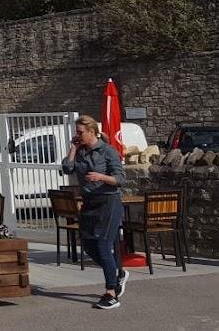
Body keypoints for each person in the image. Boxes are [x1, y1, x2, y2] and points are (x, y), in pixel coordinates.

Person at [61, 114, 128, 310]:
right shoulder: (80, 151)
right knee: (89, 245)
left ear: (91, 132)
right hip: (90, 203)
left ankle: (111, 293)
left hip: (108, 202)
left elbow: (121, 180)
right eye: (76, 132)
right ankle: (117, 273)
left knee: (103, 245)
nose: (77, 135)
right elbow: (67, 168)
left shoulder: (108, 151)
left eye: (80, 132)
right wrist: (73, 148)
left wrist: (101, 176)